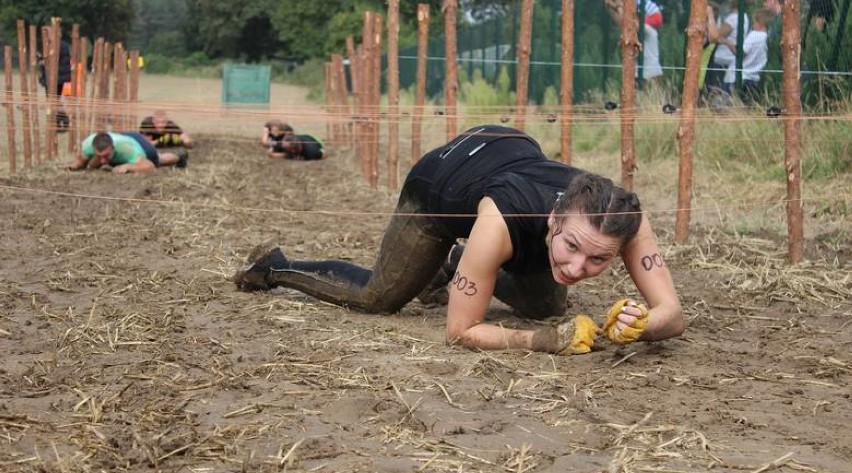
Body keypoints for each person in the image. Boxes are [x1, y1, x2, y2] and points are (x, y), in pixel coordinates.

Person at [233, 125, 684, 354]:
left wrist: (643, 324)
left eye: (597, 261)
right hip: (442, 185)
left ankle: (457, 263)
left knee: (547, 305)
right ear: (554, 219)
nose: (576, 269)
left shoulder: (622, 217)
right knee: (380, 297)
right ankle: (274, 267)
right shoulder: (498, 222)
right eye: (571, 247)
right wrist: (541, 342)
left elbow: (673, 316)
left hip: (511, 154)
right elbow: (459, 332)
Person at [67, 131, 186, 173]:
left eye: (106, 156)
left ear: (113, 148)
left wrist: (129, 166)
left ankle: (180, 157)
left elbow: (150, 167)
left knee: (158, 160)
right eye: (99, 156)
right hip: (122, 136)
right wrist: (74, 166)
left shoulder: (126, 149)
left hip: (137, 142)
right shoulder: (87, 145)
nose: (103, 160)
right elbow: (80, 163)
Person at [707, 0, 750, 96]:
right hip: (732, 60)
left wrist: (710, 17)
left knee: (716, 91)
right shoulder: (745, 17)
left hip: (722, 60)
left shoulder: (732, 19)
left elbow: (714, 37)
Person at [738, 8, 773, 105]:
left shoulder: (754, 35)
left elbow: (742, 52)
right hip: (757, 78)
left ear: (760, 23)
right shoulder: (767, 37)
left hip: (745, 75)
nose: (753, 25)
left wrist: (726, 42)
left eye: (754, 22)